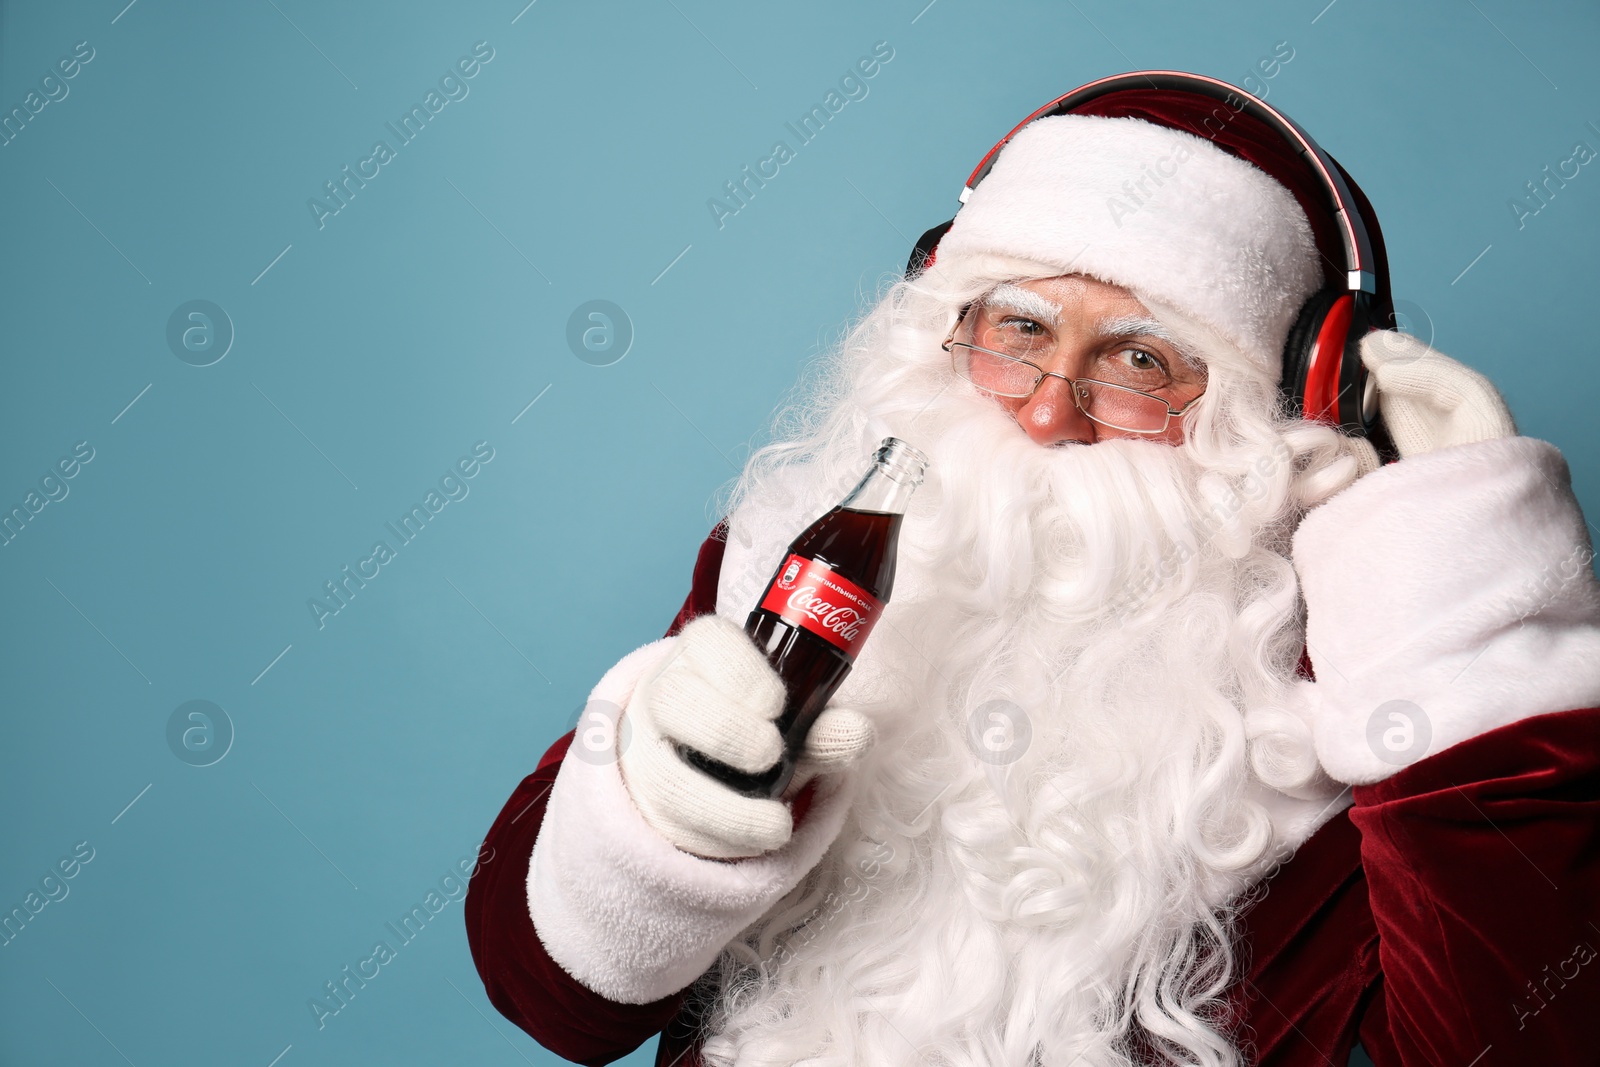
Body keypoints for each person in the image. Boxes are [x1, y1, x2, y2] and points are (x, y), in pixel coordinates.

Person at [465, 74, 1600, 1067]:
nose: (1051, 411)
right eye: (1016, 329)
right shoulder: (802, 564)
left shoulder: (1362, 684)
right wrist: (663, 831)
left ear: (1280, 406)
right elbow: (556, 1002)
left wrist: (1465, 610)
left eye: (1142, 358)